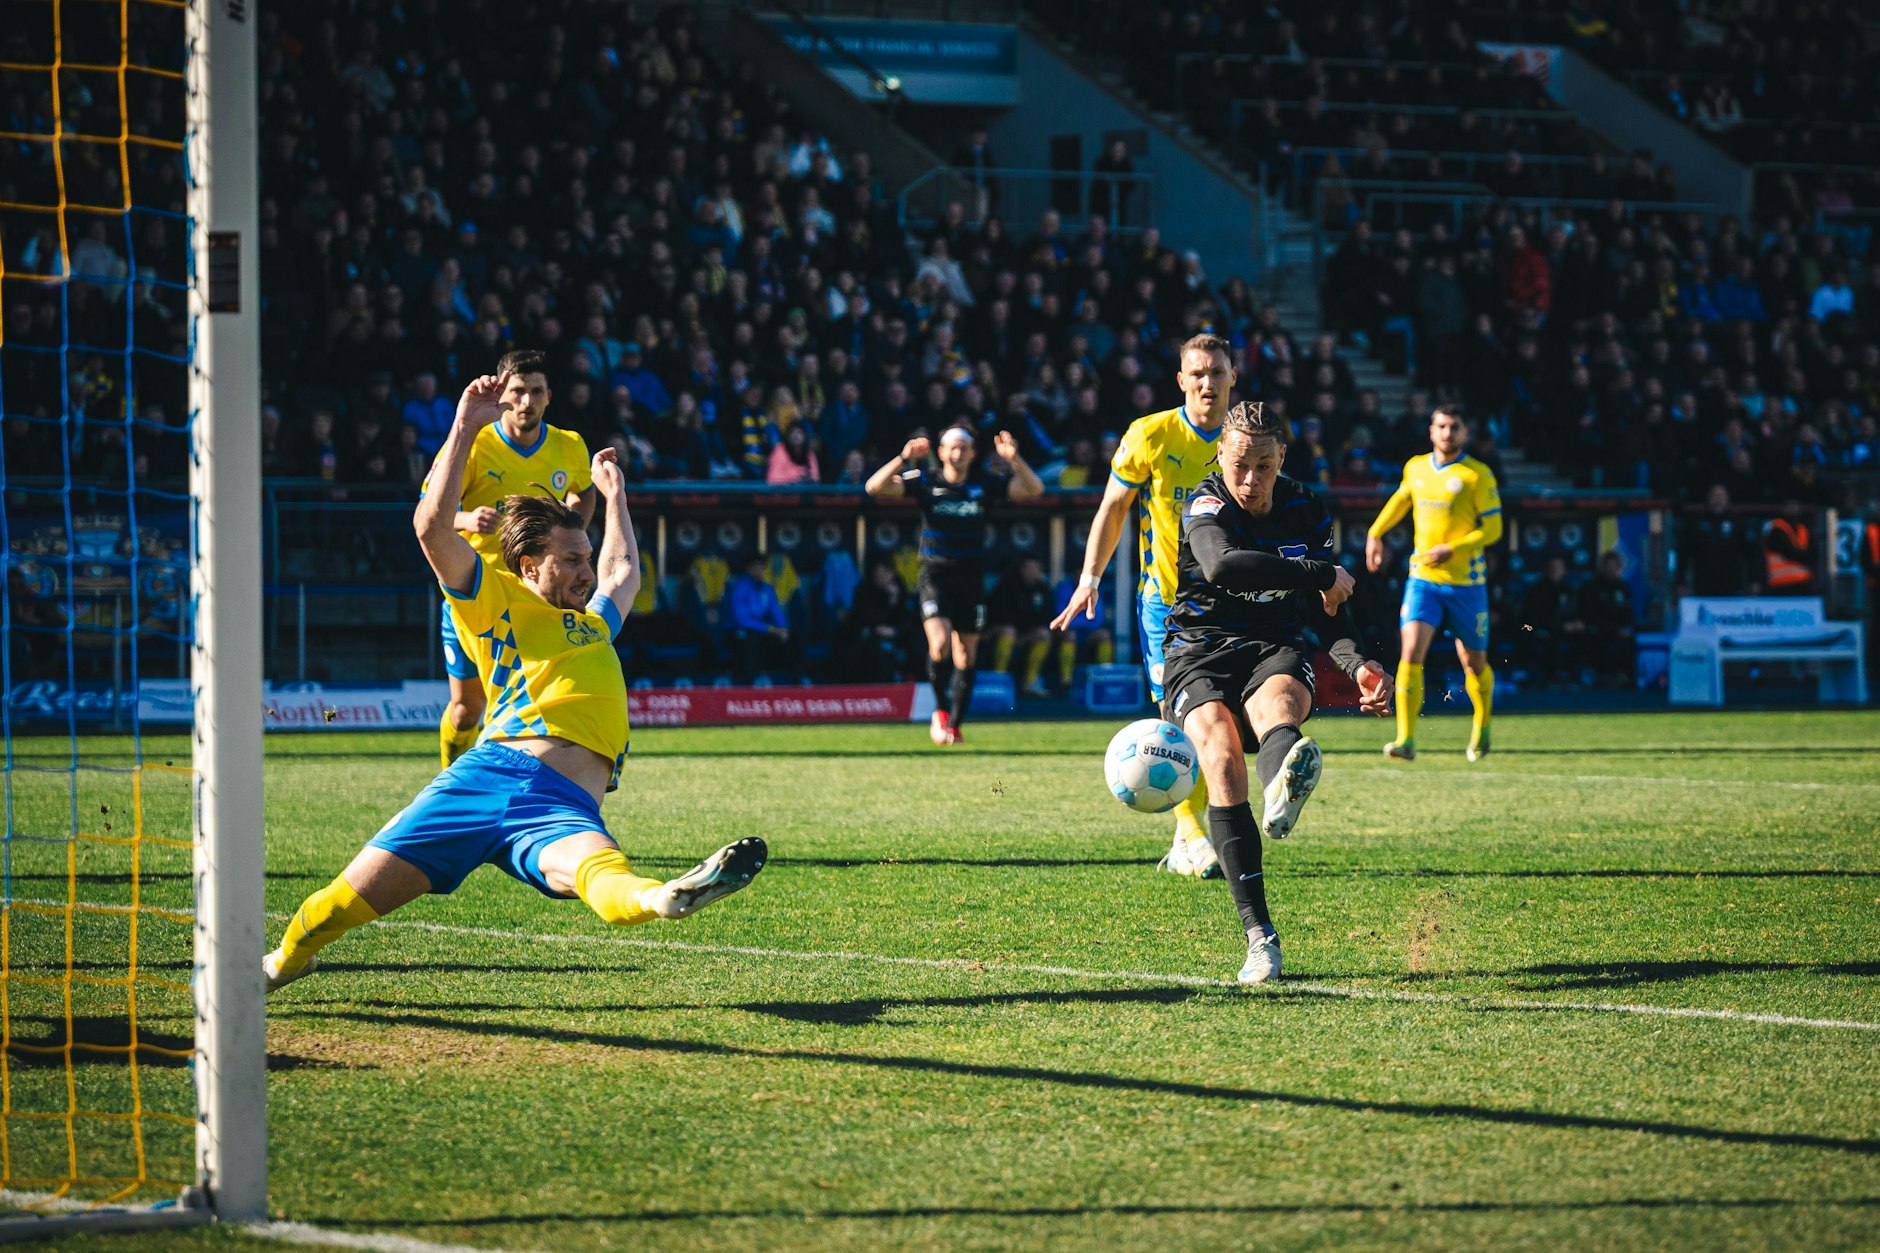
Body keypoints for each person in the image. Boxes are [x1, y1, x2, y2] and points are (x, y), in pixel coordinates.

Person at [263, 372, 766, 992]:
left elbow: (625, 570)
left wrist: (615, 497)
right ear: (530, 564)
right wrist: (467, 426)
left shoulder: (592, 625)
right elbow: (429, 528)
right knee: (338, 906)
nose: (588, 572)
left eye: (587, 559)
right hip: (488, 776)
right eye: (572, 561)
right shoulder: (492, 597)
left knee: (604, 879)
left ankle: (665, 898)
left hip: (561, 804)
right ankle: (282, 962)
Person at [1160, 401, 1392, 984]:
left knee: (1279, 705)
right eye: (1240, 464)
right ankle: (1260, 936)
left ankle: (1281, 787)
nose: (1250, 479)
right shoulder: (1205, 501)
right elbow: (1222, 566)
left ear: (1281, 458)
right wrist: (1316, 573)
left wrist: (1357, 661)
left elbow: (1331, 608)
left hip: (1273, 645)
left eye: (1264, 466)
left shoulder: (1305, 507)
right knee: (1216, 755)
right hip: (1200, 649)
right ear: (1221, 454)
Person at [1051, 333, 1237, 879]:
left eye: (1217, 372)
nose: (1208, 382)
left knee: (1224, 718)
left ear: (1233, 377)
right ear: (1181, 380)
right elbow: (1113, 507)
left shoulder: (1245, 438)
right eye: (1197, 373)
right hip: (1167, 602)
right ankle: (1192, 833)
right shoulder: (1151, 434)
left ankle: (1197, 830)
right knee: (1182, 715)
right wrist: (1090, 577)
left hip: (1232, 601)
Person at [426, 349, 597, 770]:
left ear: (549, 396)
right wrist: (467, 517)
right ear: (501, 395)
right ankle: (450, 767)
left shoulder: (569, 445)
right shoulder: (475, 445)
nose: (527, 401)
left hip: (534, 596)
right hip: (477, 591)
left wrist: (572, 528)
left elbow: (585, 489)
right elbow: (429, 506)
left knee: (516, 696)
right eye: (518, 391)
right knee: (467, 710)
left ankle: (510, 782)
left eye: (536, 391)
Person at [866, 426, 1043, 744]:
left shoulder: (985, 484)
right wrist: (903, 459)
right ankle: (941, 711)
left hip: (971, 577)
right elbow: (874, 487)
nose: (958, 454)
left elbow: (1034, 489)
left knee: (965, 654)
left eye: (964, 448)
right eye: (952, 448)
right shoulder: (925, 480)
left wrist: (1014, 459)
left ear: (972, 454)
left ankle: (957, 725)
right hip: (935, 574)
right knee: (940, 644)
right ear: (942, 452)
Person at [1365, 406, 1503, 762]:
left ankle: (1482, 724)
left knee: (1472, 662)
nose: (1447, 433)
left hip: (1466, 584)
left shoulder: (1477, 474)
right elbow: (1401, 499)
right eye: (1441, 426)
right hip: (1423, 579)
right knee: (1410, 652)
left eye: (1454, 427)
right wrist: (1375, 532)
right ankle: (1405, 739)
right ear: (1431, 430)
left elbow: (1494, 528)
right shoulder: (1416, 467)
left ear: (1465, 432)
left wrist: (1453, 548)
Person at [986, 555, 1062, 698]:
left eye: (1035, 568)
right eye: (1028, 568)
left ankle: (1030, 682)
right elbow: (997, 616)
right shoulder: (1006, 586)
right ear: (1021, 569)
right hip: (1002, 633)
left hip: (1026, 635)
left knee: (1043, 634)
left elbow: (1046, 618)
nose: (1032, 572)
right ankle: (998, 680)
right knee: (1008, 631)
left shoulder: (1043, 589)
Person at [727, 552, 796, 681]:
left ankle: (789, 682)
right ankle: (751, 681)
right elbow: (742, 620)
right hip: (741, 629)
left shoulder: (767, 588)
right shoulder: (740, 588)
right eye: (755, 567)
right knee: (750, 641)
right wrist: (770, 629)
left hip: (765, 629)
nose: (759, 570)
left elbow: (776, 611)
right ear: (748, 569)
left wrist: (783, 628)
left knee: (791, 639)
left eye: (762, 567)